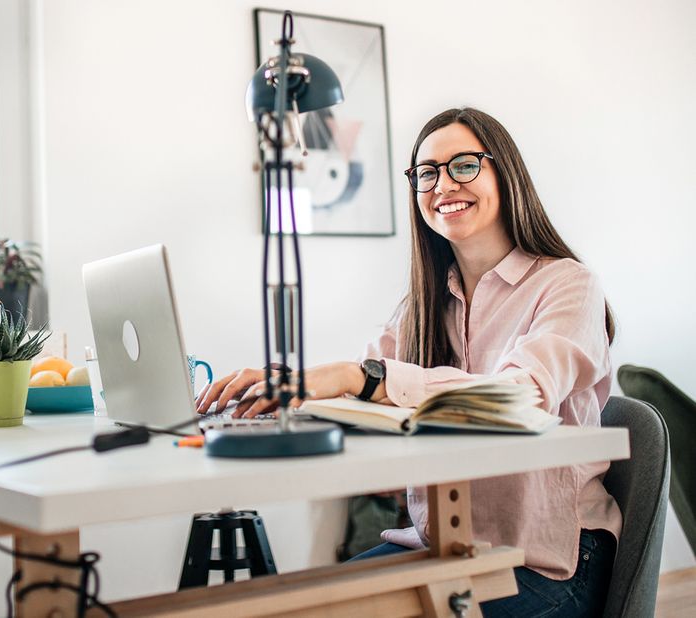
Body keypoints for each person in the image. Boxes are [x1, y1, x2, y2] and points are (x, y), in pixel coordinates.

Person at [195, 107, 619, 616]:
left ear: (505, 173)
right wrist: (284, 394)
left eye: (464, 165)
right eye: (426, 173)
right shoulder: (422, 306)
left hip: (550, 561)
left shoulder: (568, 285)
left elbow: (514, 398)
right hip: (442, 547)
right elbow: (357, 395)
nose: (443, 184)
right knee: (287, 608)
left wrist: (359, 377)